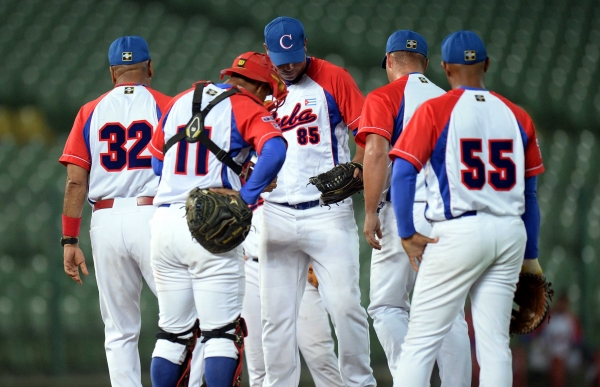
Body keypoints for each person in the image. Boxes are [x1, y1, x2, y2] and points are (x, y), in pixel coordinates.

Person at [389, 30, 545, 386]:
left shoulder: (435, 109)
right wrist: (531, 258)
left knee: (420, 344)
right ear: (487, 64)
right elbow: (531, 195)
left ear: (444, 67)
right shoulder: (518, 115)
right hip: (509, 233)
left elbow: (402, 171)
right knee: (495, 347)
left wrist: (406, 233)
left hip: (457, 231)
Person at [147, 52, 288, 387]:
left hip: (165, 223)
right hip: (209, 225)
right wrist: (245, 195)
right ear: (256, 83)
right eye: (265, 90)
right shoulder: (243, 104)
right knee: (221, 334)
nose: (266, 98)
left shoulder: (179, 100)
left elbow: (157, 165)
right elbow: (275, 148)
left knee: (171, 334)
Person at [260, 16, 375, 387]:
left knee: (345, 308)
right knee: (276, 319)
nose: (288, 64)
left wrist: (357, 166)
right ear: (267, 53)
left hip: (328, 212)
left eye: (293, 55)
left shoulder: (334, 78)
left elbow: (368, 134)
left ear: (305, 46)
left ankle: (359, 382)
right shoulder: (260, 85)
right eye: (280, 57)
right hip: (275, 213)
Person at [356, 30, 471, 385]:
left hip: (403, 209)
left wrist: (371, 210)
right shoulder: (453, 100)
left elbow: (375, 152)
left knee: (388, 305)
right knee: (450, 312)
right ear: (424, 63)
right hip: (450, 212)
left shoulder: (385, 95)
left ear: (389, 61)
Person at [59, 36, 171, 387]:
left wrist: (69, 239)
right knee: (180, 315)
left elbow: (76, 183)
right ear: (149, 68)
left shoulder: (89, 111)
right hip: (153, 214)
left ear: (112, 73)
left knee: (119, 330)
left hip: (105, 220)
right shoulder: (167, 105)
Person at [242, 198, 345, 387]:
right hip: (251, 268)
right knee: (260, 365)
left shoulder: (296, 170)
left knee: (319, 354)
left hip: (297, 264)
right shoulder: (239, 170)